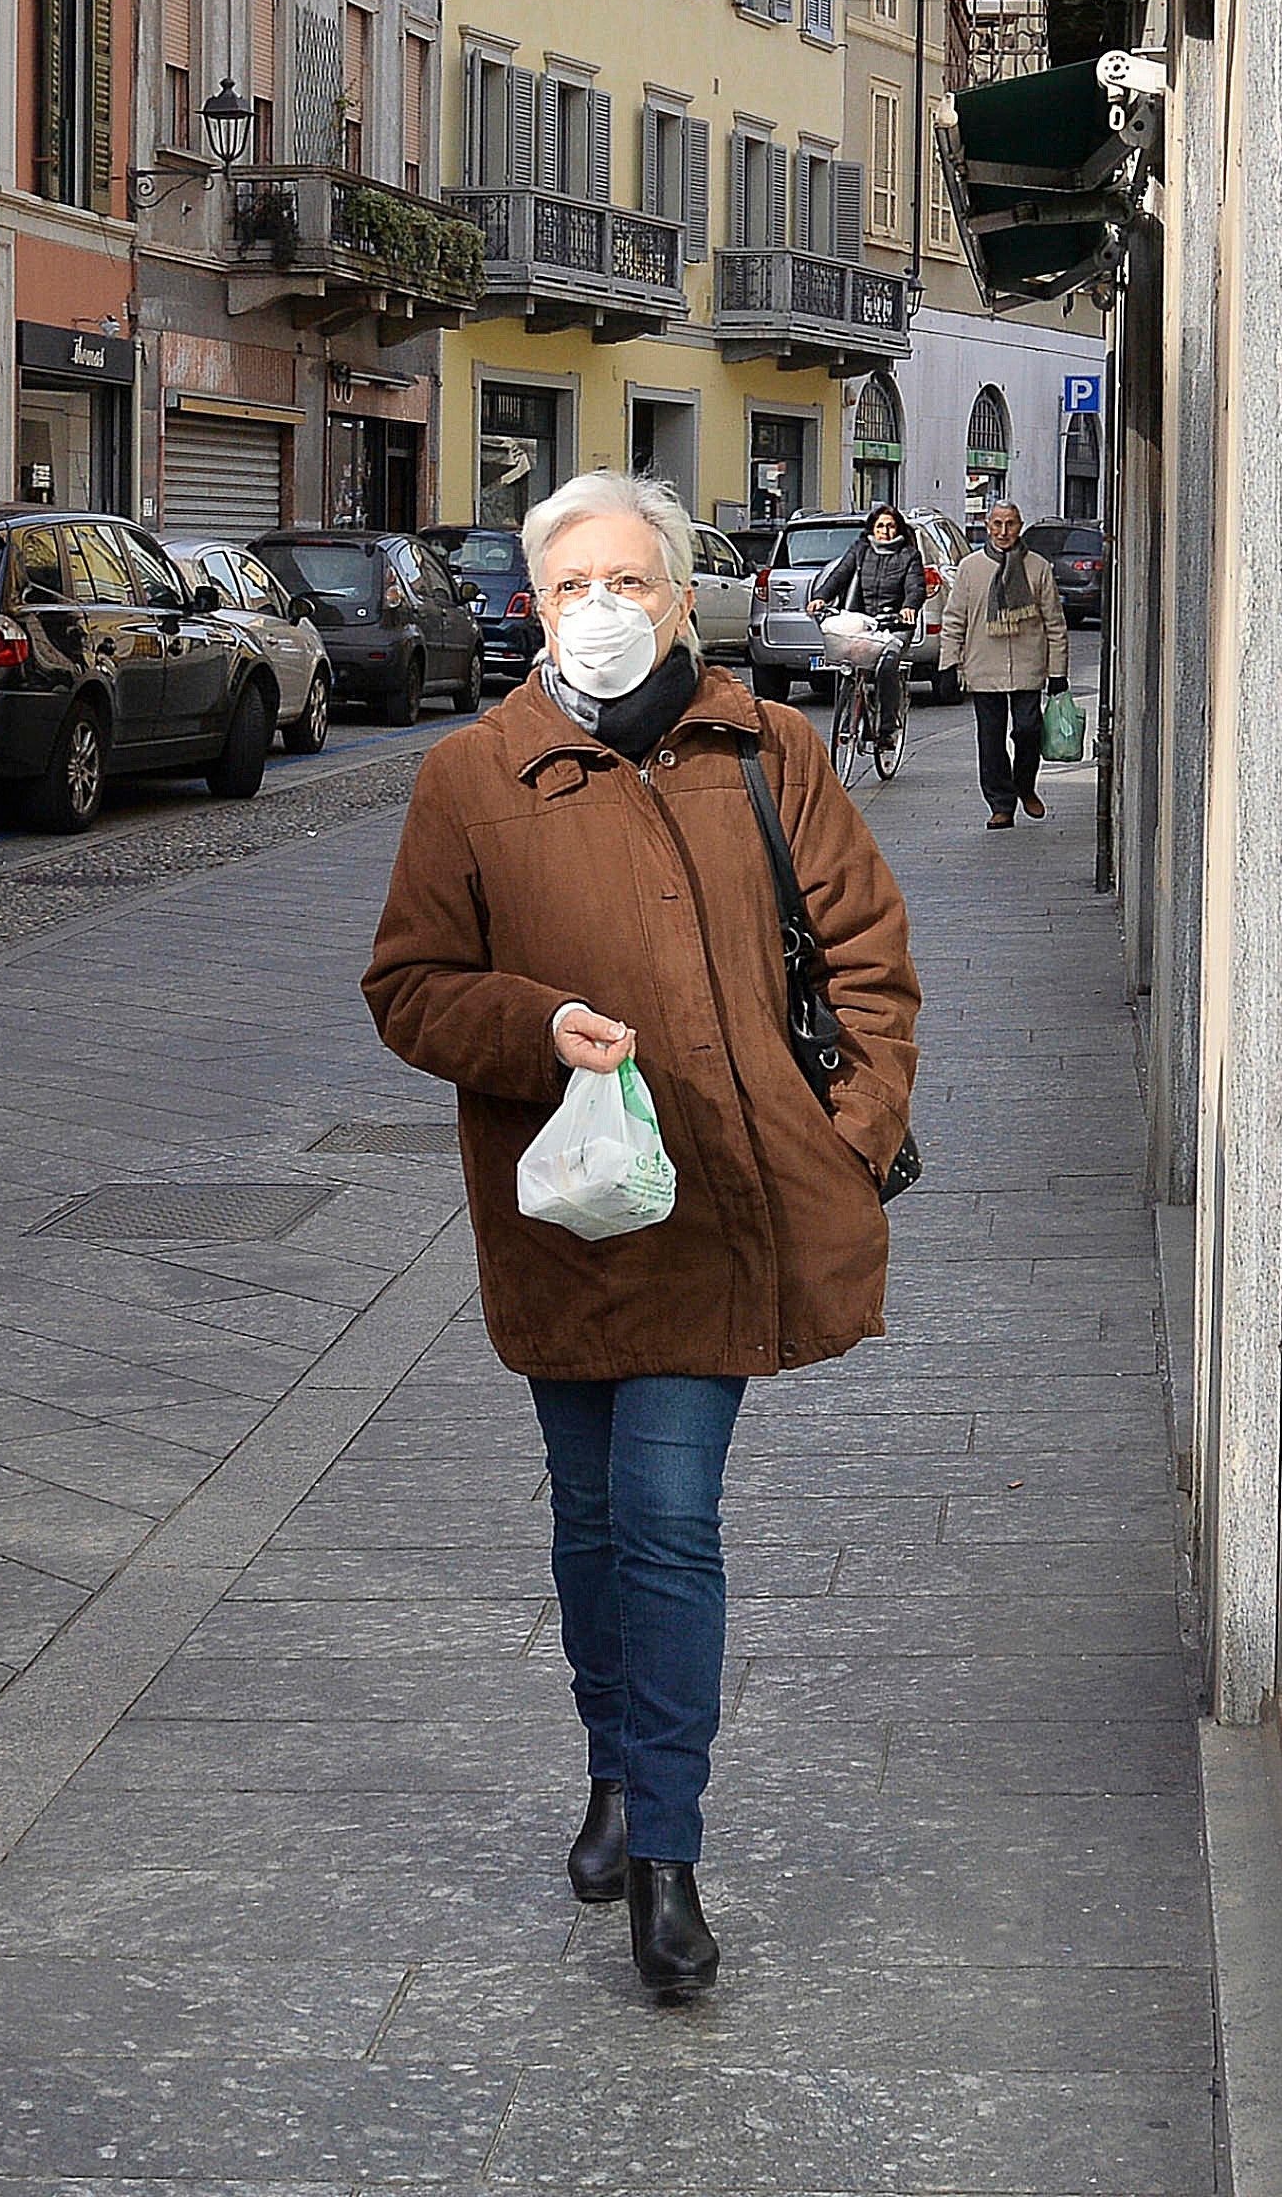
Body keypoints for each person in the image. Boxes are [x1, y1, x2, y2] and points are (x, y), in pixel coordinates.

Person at [363, 470, 919, 2000]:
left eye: (631, 582)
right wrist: (536, 1022)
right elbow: (408, 987)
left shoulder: (767, 749)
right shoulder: (473, 777)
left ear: (683, 596)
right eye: (570, 586)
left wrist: (846, 1137)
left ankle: (665, 1853)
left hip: (724, 1212)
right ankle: (613, 1762)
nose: (601, 611)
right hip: (568, 1210)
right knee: (588, 1518)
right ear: (530, 606)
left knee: (668, 1518)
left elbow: (867, 954)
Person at [940, 499, 1070, 828]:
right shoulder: (970, 567)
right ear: (987, 526)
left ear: (1020, 526)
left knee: (1028, 730)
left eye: (1010, 524)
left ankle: (1024, 785)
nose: (1003, 531)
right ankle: (1001, 804)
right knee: (991, 739)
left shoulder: (1037, 567)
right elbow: (955, 618)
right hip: (983, 666)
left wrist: (1058, 673)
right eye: (997, 524)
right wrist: (948, 663)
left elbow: (1054, 623)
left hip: (1028, 665)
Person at [805, 503, 926, 746]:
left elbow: (916, 586)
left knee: (887, 666)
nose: (886, 531)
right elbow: (840, 575)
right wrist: (820, 597)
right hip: (863, 622)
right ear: (872, 528)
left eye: (891, 526)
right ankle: (852, 715)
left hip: (895, 625)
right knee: (849, 661)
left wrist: (909, 607)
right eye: (880, 526)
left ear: (899, 528)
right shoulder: (861, 549)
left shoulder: (909, 555)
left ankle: (887, 728)